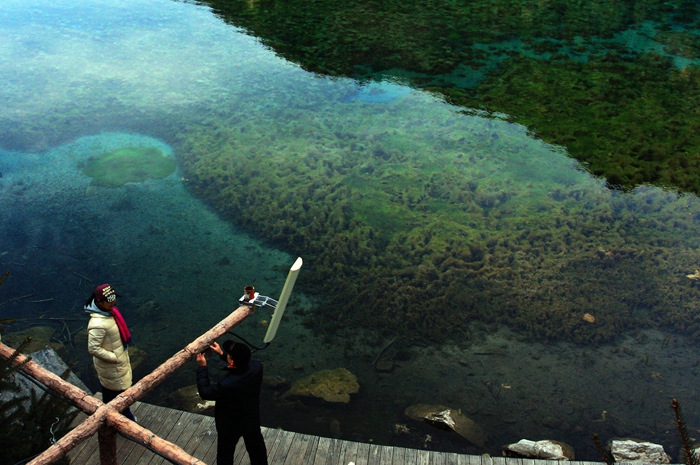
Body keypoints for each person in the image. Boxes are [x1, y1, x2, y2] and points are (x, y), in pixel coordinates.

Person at [196, 340, 268, 465]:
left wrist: (202, 368)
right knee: (257, 449)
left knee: (225, 454)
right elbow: (241, 364)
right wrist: (222, 354)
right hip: (251, 418)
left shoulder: (227, 384)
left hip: (230, 425)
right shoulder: (257, 367)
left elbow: (205, 392)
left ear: (233, 361)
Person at [85, 283, 136, 422]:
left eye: (114, 297)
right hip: (112, 365)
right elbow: (93, 348)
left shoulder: (110, 313)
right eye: (108, 299)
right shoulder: (97, 324)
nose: (112, 301)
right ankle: (125, 421)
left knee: (111, 393)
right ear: (99, 301)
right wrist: (114, 357)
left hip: (117, 361)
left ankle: (112, 417)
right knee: (118, 394)